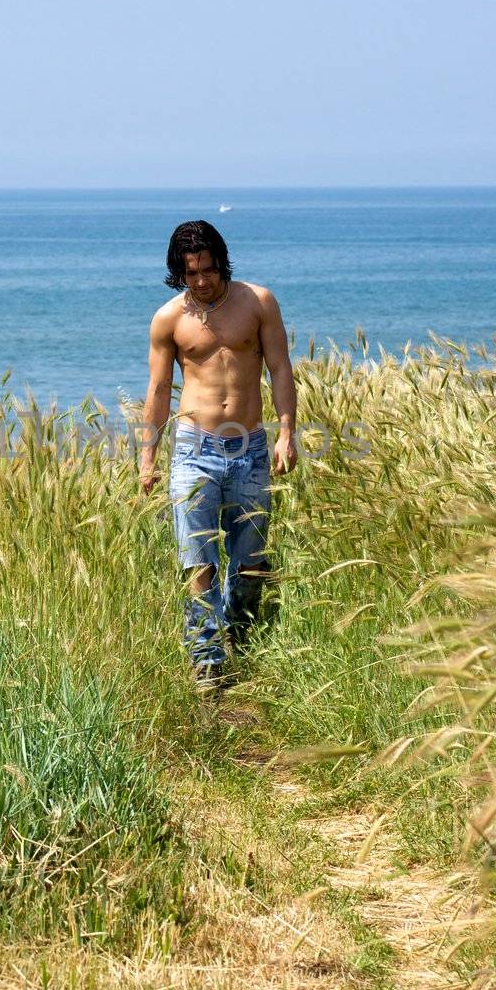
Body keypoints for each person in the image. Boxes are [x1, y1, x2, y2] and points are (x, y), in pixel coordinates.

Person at [139, 219, 298, 691]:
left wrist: (287, 432)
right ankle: (207, 660)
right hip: (194, 450)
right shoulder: (169, 319)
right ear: (179, 273)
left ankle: (239, 635)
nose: (202, 281)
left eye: (208, 269)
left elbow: (280, 368)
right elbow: (158, 389)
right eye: (191, 273)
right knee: (199, 560)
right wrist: (147, 456)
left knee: (251, 563)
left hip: (250, 446)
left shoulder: (258, 303)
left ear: (221, 263)